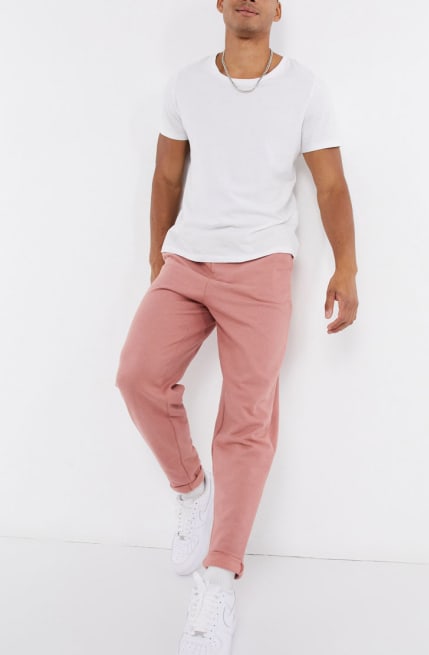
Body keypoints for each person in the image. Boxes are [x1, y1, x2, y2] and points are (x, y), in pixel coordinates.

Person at [115, 0, 358, 653]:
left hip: (262, 267)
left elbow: (331, 187)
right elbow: (167, 174)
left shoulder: (305, 88)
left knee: (246, 422)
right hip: (187, 261)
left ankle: (218, 580)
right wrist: (156, 258)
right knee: (137, 375)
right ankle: (191, 489)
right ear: (220, 4)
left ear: (278, 8)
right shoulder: (185, 85)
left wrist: (347, 266)